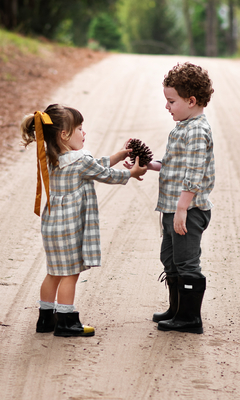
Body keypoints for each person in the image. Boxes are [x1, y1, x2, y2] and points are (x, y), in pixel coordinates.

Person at [21, 104, 147, 337]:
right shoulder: (80, 161)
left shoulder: (50, 157)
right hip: (70, 227)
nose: (84, 132)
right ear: (64, 134)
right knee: (71, 273)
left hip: (52, 226)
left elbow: (94, 165)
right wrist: (131, 172)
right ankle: (67, 321)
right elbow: (103, 173)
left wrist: (119, 155)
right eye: (79, 128)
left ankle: (45, 319)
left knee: (54, 272)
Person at [126, 62, 215, 334]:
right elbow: (175, 165)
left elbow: (195, 172)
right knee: (170, 257)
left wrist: (182, 208)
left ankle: (190, 318)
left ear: (191, 101)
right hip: (172, 208)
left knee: (187, 261)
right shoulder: (183, 126)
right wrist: (147, 165)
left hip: (189, 209)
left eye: (171, 101)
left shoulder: (197, 130)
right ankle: (176, 308)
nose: (167, 106)